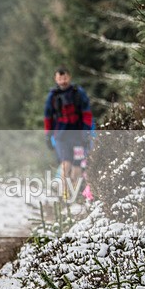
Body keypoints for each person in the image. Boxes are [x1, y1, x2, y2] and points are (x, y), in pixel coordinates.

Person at [44, 67, 93, 201]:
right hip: (61, 137)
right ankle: (65, 194)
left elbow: (87, 113)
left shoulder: (78, 93)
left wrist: (87, 131)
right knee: (66, 164)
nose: (62, 81)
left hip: (78, 136)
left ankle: (75, 193)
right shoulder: (52, 96)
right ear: (56, 79)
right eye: (60, 78)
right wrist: (48, 134)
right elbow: (48, 117)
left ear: (69, 77)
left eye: (64, 78)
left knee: (77, 166)